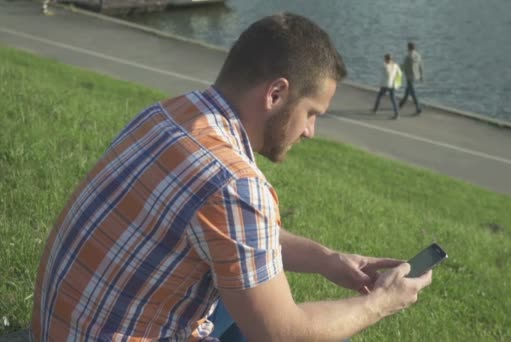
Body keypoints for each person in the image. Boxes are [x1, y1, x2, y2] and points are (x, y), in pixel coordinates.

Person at [31, 13, 433, 341]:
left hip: (60, 328)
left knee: (247, 287)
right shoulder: (234, 184)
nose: (310, 131)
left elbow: (235, 236)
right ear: (275, 94)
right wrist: (381, 303)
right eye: (311, 113)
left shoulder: (167, 114)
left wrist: (328, 260)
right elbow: (283, 334)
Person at [372, 53, 402, 119]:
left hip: (385, 85)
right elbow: (400, 73)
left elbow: (382, 76)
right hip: (393, 85)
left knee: (379, 97)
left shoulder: (385, 66)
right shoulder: (395, 65)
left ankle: (375, 109)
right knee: (393, 99)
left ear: (386, 59)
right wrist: (398, 84)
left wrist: (379, 84)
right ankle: (397, 114)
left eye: (385, 59)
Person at [399, 42, 424, 114]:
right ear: (414, 47)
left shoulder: (408, 56)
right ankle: (401, 104)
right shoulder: (418, 55)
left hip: (409, 76)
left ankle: (418, 108)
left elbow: (404, 66)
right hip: (416, 75)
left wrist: (397, 70)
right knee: (407, 91)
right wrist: (421, 75)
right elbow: (421, 65)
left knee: (413, 93)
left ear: (408, 48)